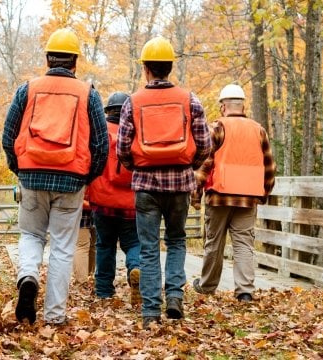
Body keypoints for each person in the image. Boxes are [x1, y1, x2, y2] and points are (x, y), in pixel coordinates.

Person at [2, 28, 109, 325]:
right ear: (75, 61)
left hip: (32, 176)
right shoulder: (89, 94)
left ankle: (28, 277)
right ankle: (54, 315)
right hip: (71, 179)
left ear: (48, 58)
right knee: (63, 246)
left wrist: (19, 167)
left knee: (31, 235)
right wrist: (88, 176)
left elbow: (8, 136)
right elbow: (101, 145)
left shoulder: (28, 90)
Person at [116, 37, 211, 328]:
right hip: (180, 184)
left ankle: (149, 312)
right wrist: (188, 166)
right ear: (170, 68)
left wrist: (137, 168)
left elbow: (122, 148)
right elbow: (205, 144)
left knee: (147, 247)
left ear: (145, 69)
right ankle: (174, 297)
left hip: (146, 187)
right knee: (177, 240)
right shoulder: (189, 99)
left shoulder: (133, 101)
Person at [192, 83, 276, 302]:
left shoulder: (217, 127)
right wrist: (264, 193)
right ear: (242, 105)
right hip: (248, 198)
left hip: (219, 195)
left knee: (214, 242)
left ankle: (208, 286)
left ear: (223, 106)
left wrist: (195, 195)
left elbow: (205, 163)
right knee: (244, 244)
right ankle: (245, 291)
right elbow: (269, 166)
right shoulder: (258, 130)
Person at [88, 91, 142, 306]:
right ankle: (135, 267)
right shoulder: (135, 133)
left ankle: (104, 291)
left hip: (103, 201)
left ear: (108, 111)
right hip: (132, 202)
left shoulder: (100, 133)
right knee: (133, 242)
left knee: (105, 245)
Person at [72, 191, 96, 286]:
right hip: (98, 205)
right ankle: (85, 279)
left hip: (82, 206)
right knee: (90, 245)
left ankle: (83, 281)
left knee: (83, 245)